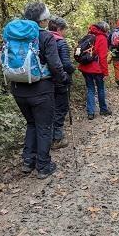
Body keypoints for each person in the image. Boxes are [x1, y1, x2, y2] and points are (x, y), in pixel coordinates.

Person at [8, 1, 68, 179]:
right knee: (44, 126)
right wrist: (64, 79)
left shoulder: (14, 33)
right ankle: (43, 165)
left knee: (31, 124)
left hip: (18, 88)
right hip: (41, 89)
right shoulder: (46, 37)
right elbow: (55, 66)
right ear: (43, 20)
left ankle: (28, 162)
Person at [48, 16, 75, 150]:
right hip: (60, 80)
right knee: (61, 108)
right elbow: (66, 64)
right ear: (59, 29)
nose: (65, 33)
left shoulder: (43, 39)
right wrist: (72, 69)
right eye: (64, 30)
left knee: (50, 109)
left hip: (46, 81)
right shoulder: (60, 42)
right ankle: (57, 139)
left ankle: (48, 137)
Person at [78, 22, 112, 120]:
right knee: (100, 88)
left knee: (90, 89)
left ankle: (91, 112)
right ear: (103, 29)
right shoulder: (102, 38)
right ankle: (103, 109)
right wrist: (105, 72)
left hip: (85, 67)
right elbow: (102, 57)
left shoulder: (88, 35)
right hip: (97, 69)